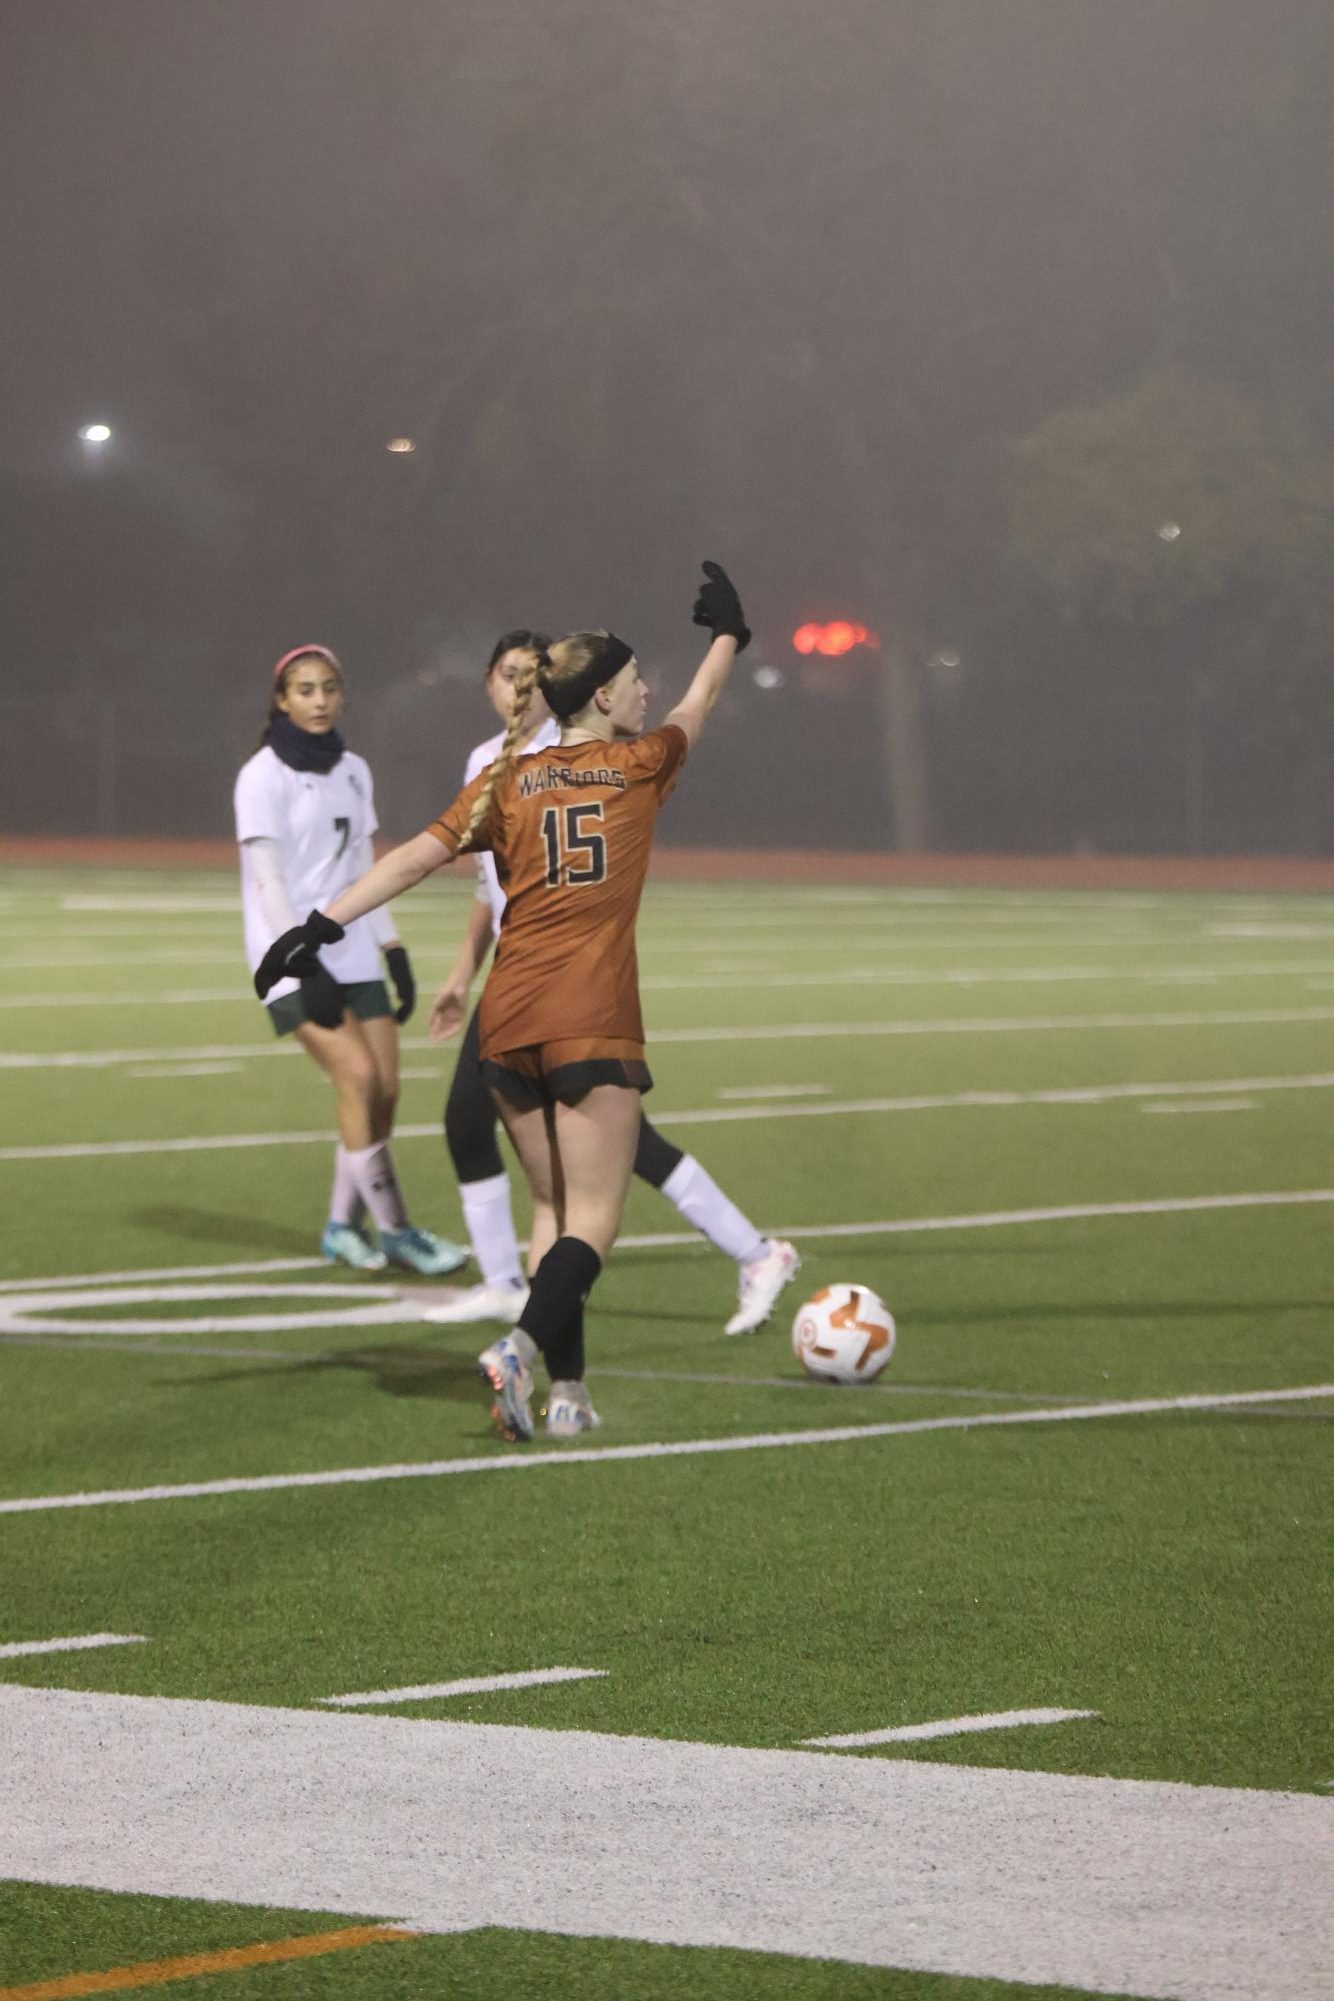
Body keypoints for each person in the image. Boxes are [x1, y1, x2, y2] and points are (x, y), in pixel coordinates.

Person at [254, 563, 755, 1443]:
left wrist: (319, 925)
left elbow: (413, 854)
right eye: (636, 680)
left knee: (552, 1216)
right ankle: (523, 1347)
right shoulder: (638, 765)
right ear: (603, 697)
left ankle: (569, 1392)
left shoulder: (509, 779)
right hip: (590, 1013)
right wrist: (727, 638)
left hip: (507, 1018)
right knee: (593, 1223)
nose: (648, 692)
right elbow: (698, 708)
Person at [424, 628, 798, 1336]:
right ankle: (535, 1305)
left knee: (584, 1158)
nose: (517, 686)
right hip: (518, 981)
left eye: (529, 673)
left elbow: (691, 711)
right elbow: (487, 888)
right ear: (486, 683)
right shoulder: (493, 762)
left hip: (566, 986)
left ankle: (530, 1310)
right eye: (506, 674)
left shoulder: (592, 759)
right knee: (521, 1138)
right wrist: (459, 972)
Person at [235, 645, 468, 1277]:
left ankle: (342, 1225)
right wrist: (294, 954)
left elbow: (364, 871)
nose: (319, 700)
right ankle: (396, 1231)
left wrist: (392, 947)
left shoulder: (355, 769)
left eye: (329, 689)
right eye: (305, 690)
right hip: (289, 954)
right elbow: (268, 883)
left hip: (356, 944)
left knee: (386, 1091)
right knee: (358, 1080)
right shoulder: (261, 775)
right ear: (282, 700)